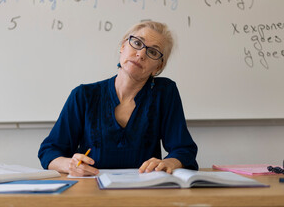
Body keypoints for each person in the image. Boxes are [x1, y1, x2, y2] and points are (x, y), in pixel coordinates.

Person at [38, 21, 198, 177]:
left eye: (153, 52)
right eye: (136, 43)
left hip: (144, 191)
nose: (141, 54)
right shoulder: (83, 95)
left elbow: (184, 149)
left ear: (158, 67)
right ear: (123, 46)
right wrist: (70, 165)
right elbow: (49, 151)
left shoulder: (164, 92)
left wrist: (170, 162)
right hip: (90, 191)